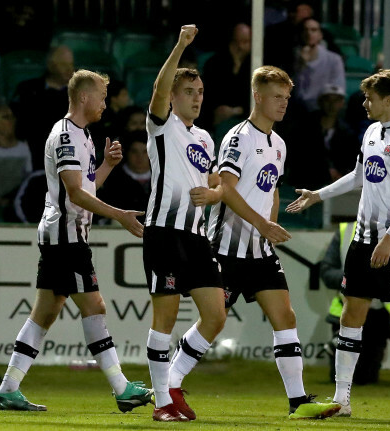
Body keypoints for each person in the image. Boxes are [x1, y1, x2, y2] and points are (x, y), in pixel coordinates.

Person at [287, 69, 390, 420]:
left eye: (370, 98)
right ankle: (341, 400)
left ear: (388, 101)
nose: (364, 103)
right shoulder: (371, 132)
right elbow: (360, 176)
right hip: (363, 242)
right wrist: (319, 194)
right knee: (351, 314)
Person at [0, 69, 153, 413]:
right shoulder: (66, 136)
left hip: (64, 236)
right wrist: (120, 215)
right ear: (84, 98)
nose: (105, 104)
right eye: (102, 97)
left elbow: (87, 185)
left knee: (43, 315)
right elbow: (75, 194)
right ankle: (121, 387)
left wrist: (106, 166)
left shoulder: (82, 135)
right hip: (66, 237)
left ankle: (7, 390)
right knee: (94, 307)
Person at [207, 65, 340, 420]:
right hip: (226, 248)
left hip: (259, 248)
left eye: (287, 98)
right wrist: (262, 224)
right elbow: (226, 190)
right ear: (258, 96)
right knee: (213, 321)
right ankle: (169, 387)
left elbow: (272, 191)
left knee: (285, 316)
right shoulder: (238, 138)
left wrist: (271, 225)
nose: (283, 104)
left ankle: (298, 402)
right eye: (277, 97)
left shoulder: (278, 143)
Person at [142, 25, 226, 422]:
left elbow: (212, 183)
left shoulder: (206, 139)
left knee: (216, 315)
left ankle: (172, 382)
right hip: (164, 233)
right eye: (189, 92)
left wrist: (214, 194)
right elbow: (159, 88)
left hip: (196, 237)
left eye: (200, 92)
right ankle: (161, 403)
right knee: (166, 318)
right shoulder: (161, 125)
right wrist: (181, 45)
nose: (196, 98)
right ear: (173, 98)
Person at [321, 221, 390, 385]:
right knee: (340, 377)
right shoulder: (345, 230)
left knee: (367, 378)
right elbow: (327, 272)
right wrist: (355, 278)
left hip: (379, 316)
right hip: (346, 309)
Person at [10, 45, 74, 170]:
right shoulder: (27, 89)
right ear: (51, 66)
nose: (69, 69)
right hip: (33, 152)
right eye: (63, 64)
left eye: (71, 64)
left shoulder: (77, 93)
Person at [202, 22, 252, 130]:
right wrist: (235, 65)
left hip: (247, 120)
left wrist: (236, 111)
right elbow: (212, 96)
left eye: (245, 42)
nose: (240, 47)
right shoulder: (214, 63)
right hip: (216, 122)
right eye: (236, 42)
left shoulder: (256, 66)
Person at [292, 18, 345, 112]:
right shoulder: (291, 57)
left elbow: (337, 89)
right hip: (297, 109)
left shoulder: (334, 59)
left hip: (323, 109)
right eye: (305, 30)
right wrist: (301, 66)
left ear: (320, 35)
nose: (309, 34)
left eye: (313, 30)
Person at [97, 130, 151, 222]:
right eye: (134, 151)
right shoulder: (111, 179)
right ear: (127, 153)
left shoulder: (162, 177)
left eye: (145, 152)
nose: (139, 156)